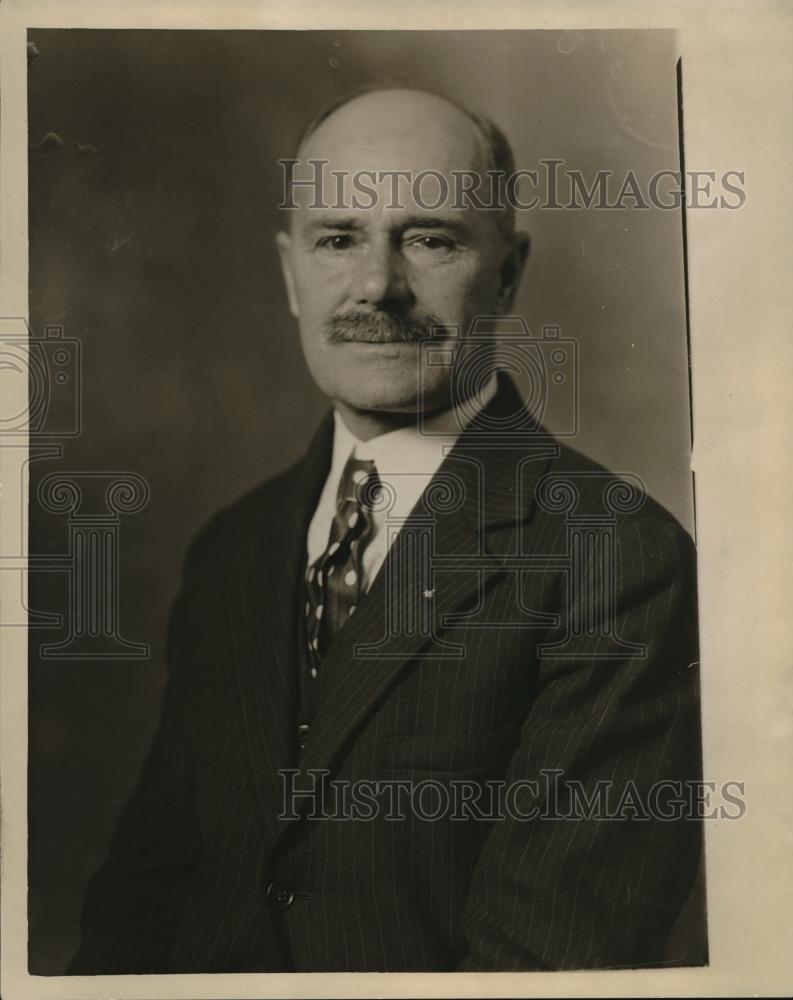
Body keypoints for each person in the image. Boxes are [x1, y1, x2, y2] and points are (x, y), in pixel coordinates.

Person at [69, 86, 703, 973]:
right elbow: (141, 914)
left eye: (430, 238)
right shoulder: (234, 549)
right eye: (339, 240)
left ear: (508, 272)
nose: (377, 286)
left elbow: (550, 965)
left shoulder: (616, 555)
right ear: (292, 275)